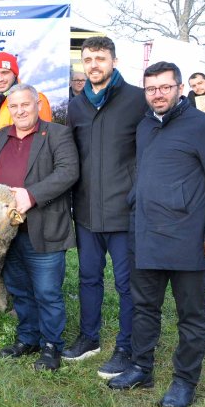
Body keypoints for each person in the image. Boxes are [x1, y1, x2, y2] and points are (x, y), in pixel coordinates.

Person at [107, 62, 205, 407]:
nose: (157, 94)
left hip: (189, 239)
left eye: (164, 87)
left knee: (191, 315)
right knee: (144, 308)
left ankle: (185, 381)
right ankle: (141, 368)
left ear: (178, 88)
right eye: (150, 88)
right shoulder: (145, 126)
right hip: (146, 234)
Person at [0, 84, 78, 372]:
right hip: (6, 233)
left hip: (43, 227)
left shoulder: (57, 134)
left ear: (37, 105)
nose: (20, 111)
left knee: (47, 291)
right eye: (14, 106)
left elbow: (68, 172)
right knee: (19, 288)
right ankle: (28, 337)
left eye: (25, 105)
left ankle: (52, 345)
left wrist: (31, 195)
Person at [63, 36, 148, 378]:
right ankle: (89, 338)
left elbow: (148, 153)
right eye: (88, 59)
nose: (94, 64)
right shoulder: (77, 105)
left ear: (113, 60)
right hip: (86, 211)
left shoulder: (136, 100)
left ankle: (127, 348)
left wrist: (138, 195)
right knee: (88, 278)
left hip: (124, 211)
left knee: (128, 284)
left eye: (100, 57)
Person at [0, 51, 53, 171]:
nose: (0, 79)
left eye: (4, 72)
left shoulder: (36, 99)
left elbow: (41, 145)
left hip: (24, 179)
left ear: (14, 74)